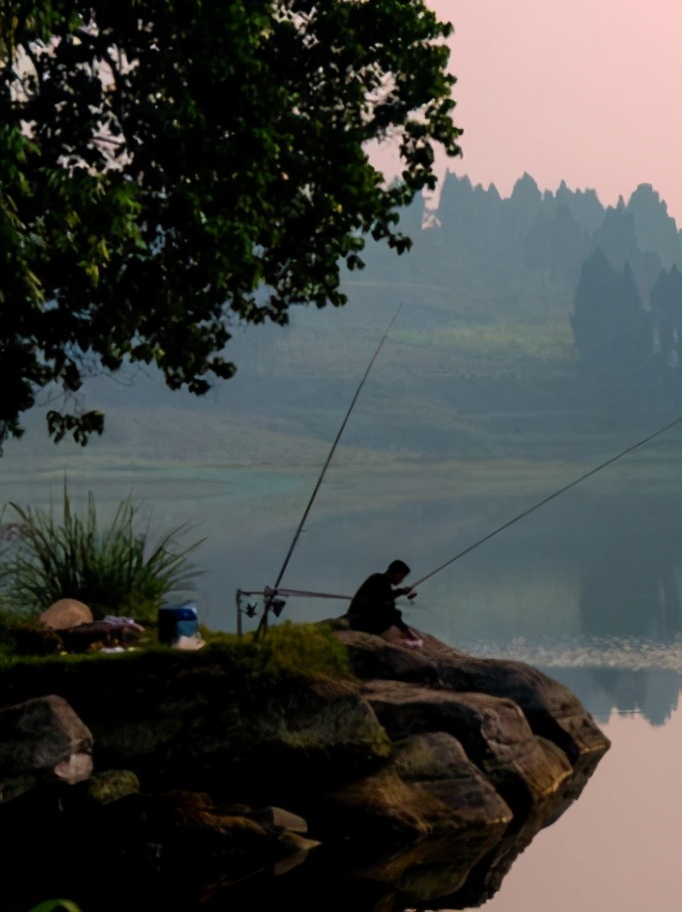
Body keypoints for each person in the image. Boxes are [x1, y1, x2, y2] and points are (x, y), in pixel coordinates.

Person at [345, 559, 423, 648]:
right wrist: (405, 629)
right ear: (398, 575)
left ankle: (405, 635)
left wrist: (401, 591)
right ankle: (408, 636)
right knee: (392, 612)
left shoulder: (379, 580)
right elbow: (385, 603)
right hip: (359, 620)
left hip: (361, 618)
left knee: (394, 612)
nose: (401, 581)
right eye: (402, 577)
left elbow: (387, 596)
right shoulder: (379, 581)